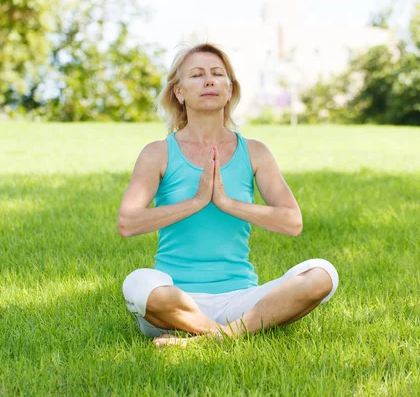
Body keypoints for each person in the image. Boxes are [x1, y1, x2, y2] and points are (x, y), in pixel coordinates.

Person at [117, 43, 339, 347]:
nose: (208, 80)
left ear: (230, 89)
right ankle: (228, 333)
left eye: (217, 74)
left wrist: (227, 203)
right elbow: (128, 223)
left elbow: (292, 222)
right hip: (174, 301)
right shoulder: (157, 153)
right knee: (138, 284)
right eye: (196, 75)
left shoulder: (256, 152)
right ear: (179, 92)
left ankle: (213, 337)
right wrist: (196, 202)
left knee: (323, 274)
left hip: (242, 301)